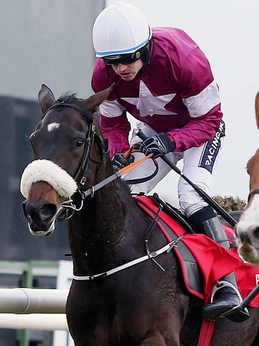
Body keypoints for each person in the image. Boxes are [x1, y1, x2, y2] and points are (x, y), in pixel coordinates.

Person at [91, 2, 247, 321]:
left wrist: (173, 140)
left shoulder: (184, 61)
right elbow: (112, 124)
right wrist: (119, 150)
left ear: (146, 49)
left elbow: (209, 121)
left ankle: (228, 285)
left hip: (199, 128)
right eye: (112, 61)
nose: (120, 68)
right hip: (153, 133)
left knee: (190, 196)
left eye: (127, 59)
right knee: (124, 192)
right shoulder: (102, 76)